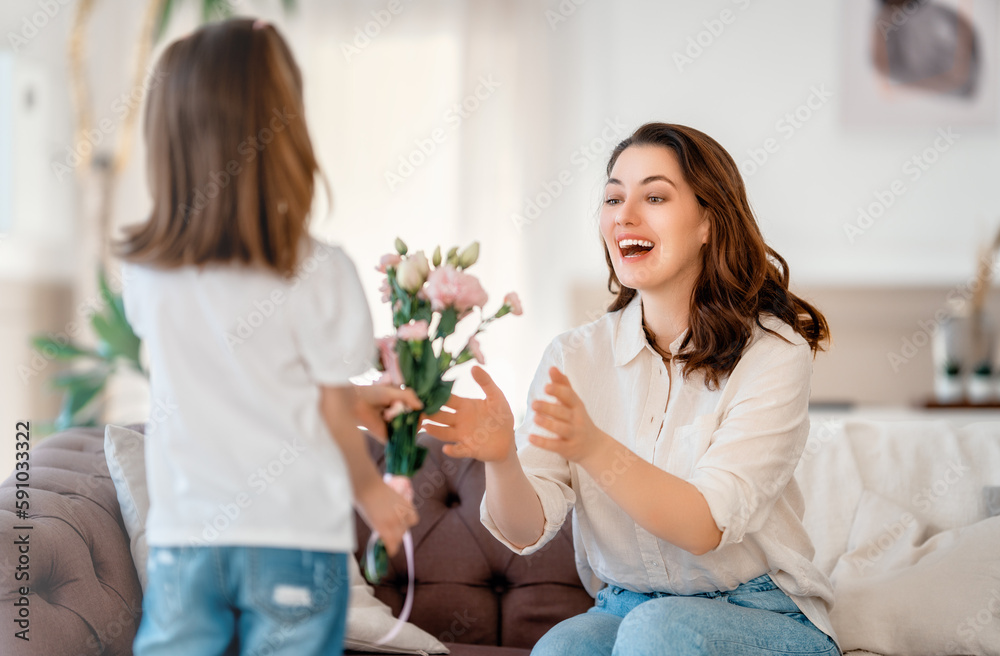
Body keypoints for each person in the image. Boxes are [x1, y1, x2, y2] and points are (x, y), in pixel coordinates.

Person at [423, 123, 841, 656]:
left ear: (709, 222)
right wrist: (503, 458)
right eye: (613, 197)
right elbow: (525, 530)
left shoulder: (772, 353)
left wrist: (592, 447)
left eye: (655, 196)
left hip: (759, 612)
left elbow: (704, 526)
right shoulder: (575, 356)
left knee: (657, 634)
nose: (624, 214)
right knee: (561, 649)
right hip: (625, 605)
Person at [116, 18, 419, 656]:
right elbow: (328, 404)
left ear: (170, 137)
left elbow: (221, 376)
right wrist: (371, 494)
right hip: (294, 537)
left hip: (185, 540)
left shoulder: (143, 274)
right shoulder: (321, 270)